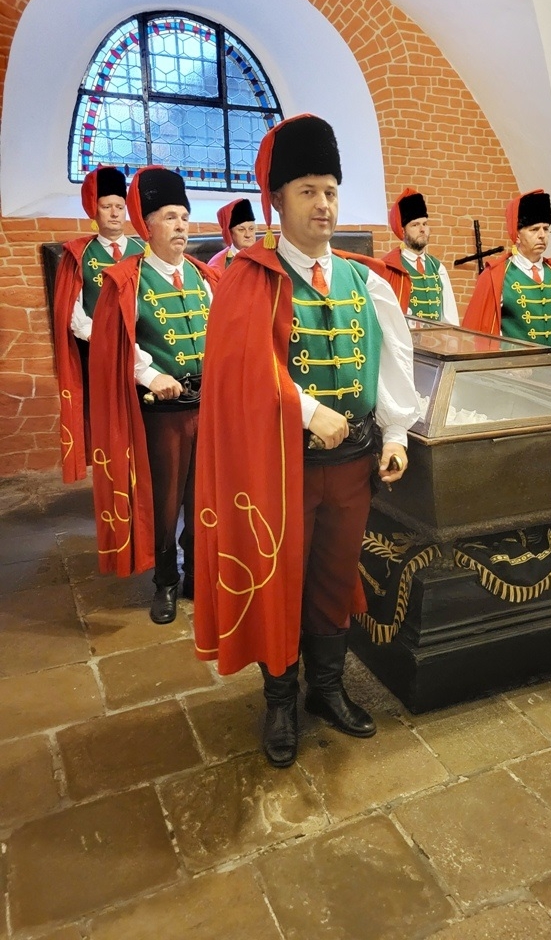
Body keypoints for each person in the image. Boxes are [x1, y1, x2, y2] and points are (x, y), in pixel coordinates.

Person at [194, 114, 418, 768]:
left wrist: (396, 432)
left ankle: (326, 688)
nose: (323, 204)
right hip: (281, 467)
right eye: (308, 191)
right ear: (278, 200)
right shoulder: (249, 277)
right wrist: (306, 409)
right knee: (279, 579)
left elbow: (394, 359)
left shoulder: (365, 279)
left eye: (330, 191)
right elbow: (240, 367)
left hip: (353, 467)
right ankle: (279, 700)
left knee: (333, 577)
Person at [89, 166, 218, 626]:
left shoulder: (205, 277)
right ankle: (165, 580)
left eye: (184, 217)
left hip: (209, 408)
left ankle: (195, 573)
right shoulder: (127, 279)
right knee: (164, 501)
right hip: (163, 413)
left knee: (203, 497)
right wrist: (150, 374)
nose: (181, 226)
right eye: (169, 217)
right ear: (147, 225)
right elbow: (114, 344)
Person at [53, 166, 144, 482]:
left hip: (141, 349)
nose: (115, 213)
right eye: (107, 206)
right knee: (109, 419)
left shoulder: (143, 251)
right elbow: (72, 308)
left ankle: (141, 474)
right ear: (95, 210)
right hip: (100, 353)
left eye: (120, 206)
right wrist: (103, 336)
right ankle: (113, 477)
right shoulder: (80, 253)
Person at [462, 189, 551, 369]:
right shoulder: (497, 276)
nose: (542, 235)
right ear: (517, 235)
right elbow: (481, 334)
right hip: (512, 374)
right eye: (534, 229)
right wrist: (506, 367)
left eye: (546, 228)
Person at [379, 188, 459, 323]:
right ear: (403, 230)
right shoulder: (390, 268)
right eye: (415, 225)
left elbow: (450, 319)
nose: (422, 229)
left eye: (425, 224)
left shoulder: (438, 268)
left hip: (435, 336)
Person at [208, 198, 258, 273]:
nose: (248, 235)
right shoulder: (218, 265)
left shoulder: (265, 255)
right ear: (230, 233)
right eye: (241, 230)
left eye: (251, 229)